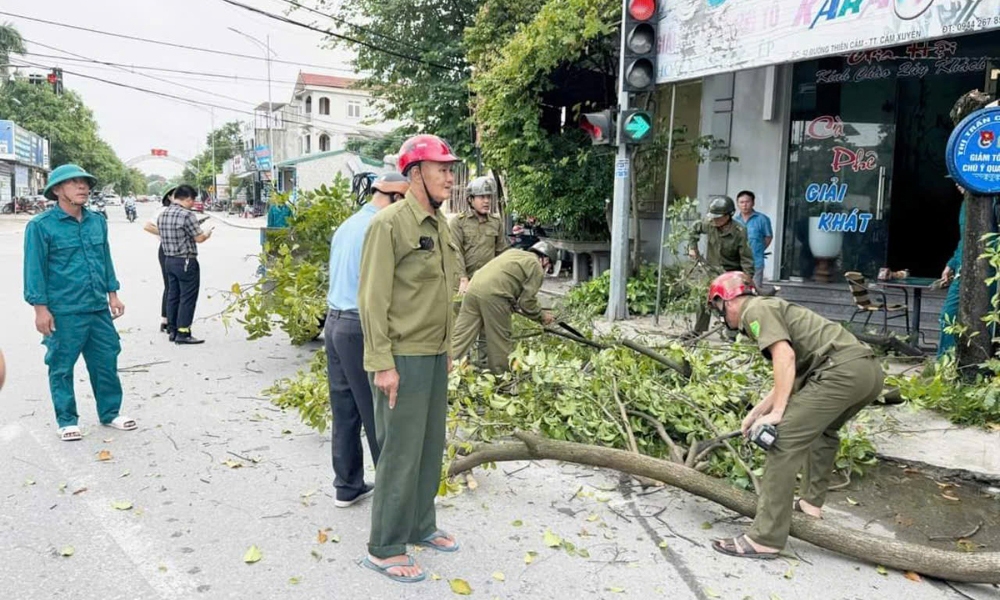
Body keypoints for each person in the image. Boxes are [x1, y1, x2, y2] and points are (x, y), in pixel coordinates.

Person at [706, 271, 883, 559]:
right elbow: (790, 373)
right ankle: (811, 506)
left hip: (840, 373)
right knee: (823, 432)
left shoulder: (756, 310)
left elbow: (784, 358)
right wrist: (757, 411)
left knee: (783, 438)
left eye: (718, 309)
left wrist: (777, 414)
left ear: (726, 301)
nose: (721, 317)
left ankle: (765, 538)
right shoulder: (770, 308)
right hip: (867, 373)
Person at [358, 134, 461, 583]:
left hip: (435, 355)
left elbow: (443, 292)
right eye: (442, 169)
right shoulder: (390, 224)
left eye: (450, 169)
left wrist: (450, 349)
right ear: (416, 173)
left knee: (428, 446)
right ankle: (384, 545)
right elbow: (372, 299)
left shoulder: (441, 225)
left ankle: (421, 525)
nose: (450, 177)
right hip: (402, 356)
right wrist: (382, 363)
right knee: (399, 452)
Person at [23, 164, 137, 441]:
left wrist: (113, 293)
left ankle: (110, 413)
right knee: (61, 365)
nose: (83, 187)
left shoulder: (97, 221)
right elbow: (34, 269)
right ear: (58, 190)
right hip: (63, 310)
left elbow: (104, 258)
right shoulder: (40, 226)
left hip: (97, 307)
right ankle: (67, 420)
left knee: (106, 360)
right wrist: (41, 310)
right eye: (74, 183)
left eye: (85, 183)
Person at [324, 172, 409, 509]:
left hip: (335, 324)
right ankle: (393, 496)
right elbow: (378, 288)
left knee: (345, 410)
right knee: (379, 411)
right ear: (396, 198)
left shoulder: (348, 225)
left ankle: (347, 485)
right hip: (360, 326)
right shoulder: (380, 228)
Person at [452, 242, 556, 373]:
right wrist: (542, 316)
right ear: (545, 259)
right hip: (494, 295)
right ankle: (502, 381)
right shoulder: (536, 266)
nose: (547, 269)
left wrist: (512, 303)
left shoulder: (514, 253)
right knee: (499, 342)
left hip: (473, 288)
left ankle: (446, 371)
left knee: (461, 336)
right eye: (549, 266)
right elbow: (527, 302)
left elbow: (506, 278)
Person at [450, 175, 508, 366]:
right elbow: (455, 252)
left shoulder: (496, 222)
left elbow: (501, 253)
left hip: (487, 286)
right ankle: (459, 370)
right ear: (470, 199)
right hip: (463, 286)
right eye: (481, 197)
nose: (486, 201)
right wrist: (463, 279)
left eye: (488, 197)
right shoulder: (459, 222)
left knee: (486, 329)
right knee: (462, 329)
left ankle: (483, 372)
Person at [158, 184, 213, 344]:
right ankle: (183, 333)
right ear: (188, 199)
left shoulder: (163, 213)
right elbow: (199, 238)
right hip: (185, 261)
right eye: (193, 200)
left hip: (168, 260)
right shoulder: (187, 215)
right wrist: (208, 233)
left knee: (172, 295)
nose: (193, 203)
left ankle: (172, 330)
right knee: (187, 297)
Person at [144, 189, 176, 334]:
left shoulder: (181, 212)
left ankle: (168, 319)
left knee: (173, 286)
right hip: (167, 249)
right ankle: (168, 320)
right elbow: (148, 226)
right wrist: (168, 232)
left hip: (177, 249)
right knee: (170, 286)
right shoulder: (164, 211)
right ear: (169, 197)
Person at [733, 190, 773, 291]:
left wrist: (759, 250)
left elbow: (768, 237)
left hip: (756, 261)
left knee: (755, 290)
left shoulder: (762, 219)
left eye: (747, 202)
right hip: (738, 263)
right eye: (741, 202)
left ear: (753, 203)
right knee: (738, 290)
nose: (744, 205)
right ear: (737, 204)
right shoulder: (733, 221)